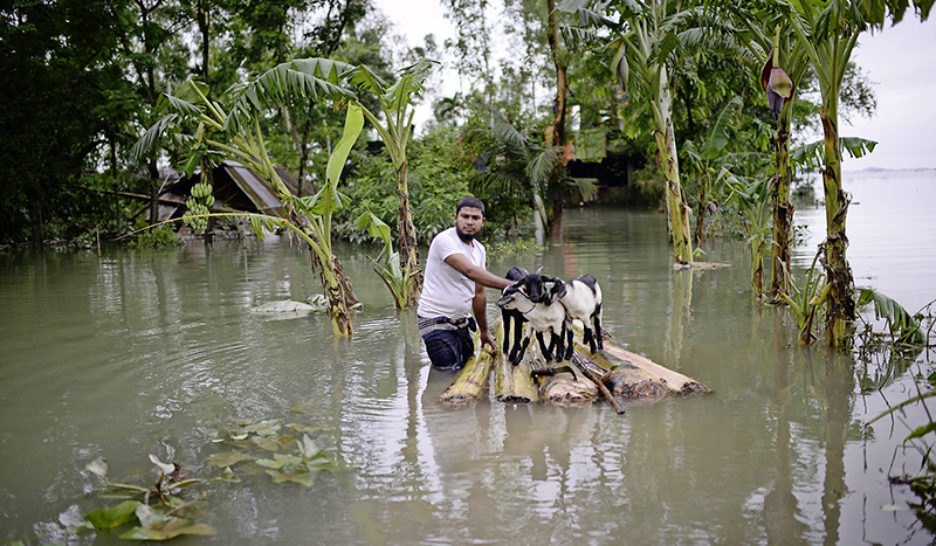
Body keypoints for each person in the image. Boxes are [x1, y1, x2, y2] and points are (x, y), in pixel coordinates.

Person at [417, 197, 513, 370]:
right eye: (465, 216)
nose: (469, 222)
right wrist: (510, 285)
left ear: (482, 222)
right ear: (456, 218)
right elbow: (470, 271)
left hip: (461, 323)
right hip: (435, 322)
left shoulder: (479, 249)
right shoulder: (444, 241)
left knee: (466, 368)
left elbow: (479, 292)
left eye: (475, 218)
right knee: (447, 373)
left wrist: (483, 331)